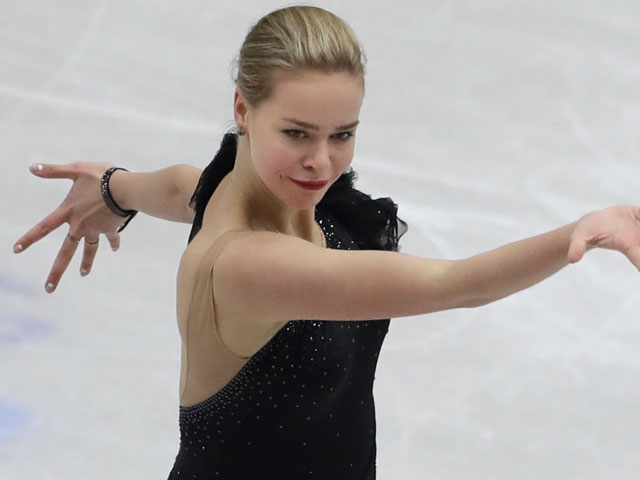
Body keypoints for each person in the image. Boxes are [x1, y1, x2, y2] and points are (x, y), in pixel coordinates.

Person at [12, 5, 640, 479]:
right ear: (242, 109)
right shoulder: (248, 265)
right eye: (297, 133)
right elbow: (454, 285)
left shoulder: (222, 186)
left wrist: (114, 187)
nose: (321, 162)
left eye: (342, 134)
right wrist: (581, 234)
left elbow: (177, 187)